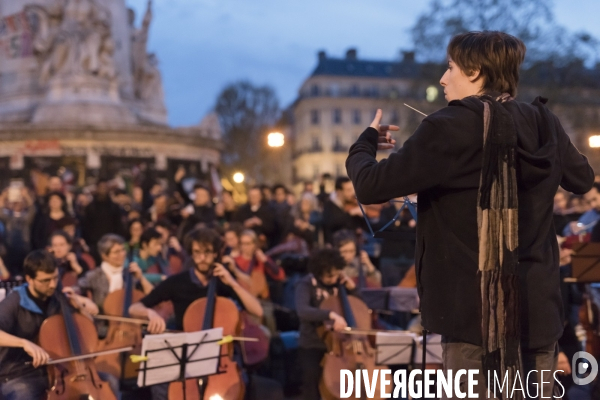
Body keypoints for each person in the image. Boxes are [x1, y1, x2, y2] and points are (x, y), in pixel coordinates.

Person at [346, 31, 595, 398]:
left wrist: (365, 142)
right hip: (538, 310)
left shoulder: (447, 126)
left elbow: (369, 185)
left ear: (476, 71)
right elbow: (582, 178)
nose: (443, 79)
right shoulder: (544, 122)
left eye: (450, 68)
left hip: (473, 314)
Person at [0, 250, 99, 400]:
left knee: (107, 380)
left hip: (56, 371)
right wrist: (23, 343)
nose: (53, 285)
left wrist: (81, 309)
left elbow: (87, 334)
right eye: (46, 280)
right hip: (19, 374)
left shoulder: (58, 299)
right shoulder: (14, 301)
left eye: (55, 278)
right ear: (29, 279)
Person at [295, 248, 358, 400]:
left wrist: (353, 290)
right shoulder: (306, 284)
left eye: (337, 274)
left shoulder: (340, 284)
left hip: (341, 345)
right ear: (319, 272)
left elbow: (360, 308)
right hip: (313, 343)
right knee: (312, 383)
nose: (335, 279)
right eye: (330, 276)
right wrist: (330, 315)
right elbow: (303, 311)